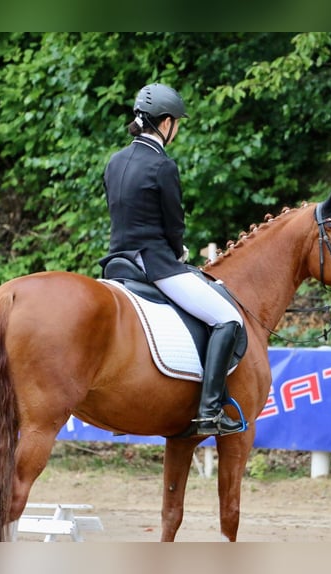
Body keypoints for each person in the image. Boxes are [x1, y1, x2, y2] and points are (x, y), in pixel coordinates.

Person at [101, 82, 245, 436]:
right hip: (154, 264)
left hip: (117, 264)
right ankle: (210, 411)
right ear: (166, 123)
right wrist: (178, 251)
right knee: (228, 318)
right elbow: (173, 223)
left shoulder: (115, 161)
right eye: (176, 122)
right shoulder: (162, 164)